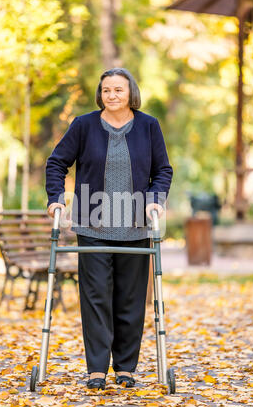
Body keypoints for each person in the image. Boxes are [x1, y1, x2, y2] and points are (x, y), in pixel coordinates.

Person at [46, 67, 173, 390]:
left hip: (135, 225)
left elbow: (162, 170)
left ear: (131, 92)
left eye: (118, 89)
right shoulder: (84, 125)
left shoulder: (148, 126)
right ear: (100, 94)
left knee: (130, 299)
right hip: (93, 222)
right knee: (96, 297)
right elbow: (57, 162)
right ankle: (97, 370)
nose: (112, 95)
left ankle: (126, 368)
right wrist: (55, 199)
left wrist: (155, 200)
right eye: (106, 90)